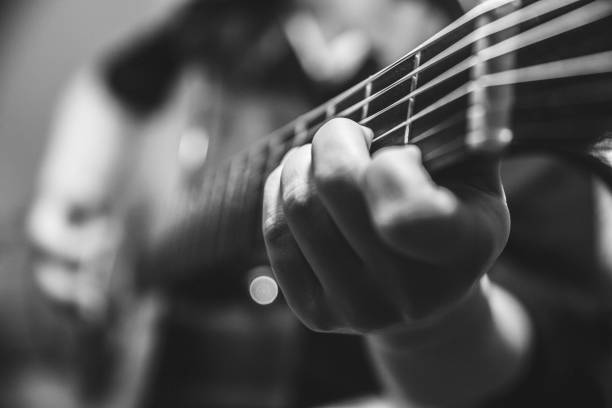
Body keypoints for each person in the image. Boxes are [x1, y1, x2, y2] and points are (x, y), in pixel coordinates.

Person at [26, 0, 612, 406]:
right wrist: (66, 195)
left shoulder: (499, 45)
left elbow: (551, 369)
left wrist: (430, 327)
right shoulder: (232, 14)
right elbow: (111, 87)